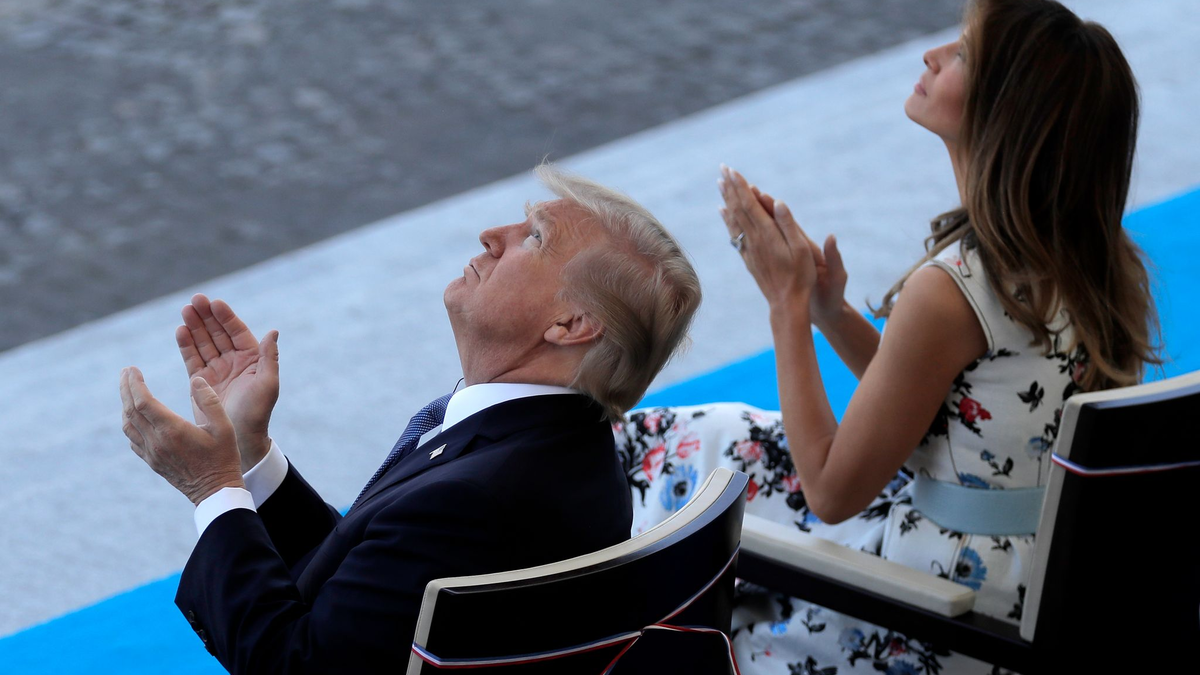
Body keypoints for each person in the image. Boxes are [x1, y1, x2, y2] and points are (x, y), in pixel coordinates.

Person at [616, 0, 1160, 672]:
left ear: (1006, 111)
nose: (932, 55)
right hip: (1039, 583)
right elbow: (957, 409)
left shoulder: (955, 286)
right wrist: (831, 313)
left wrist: (784, 305)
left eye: (962, 53)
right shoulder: (1093, 264)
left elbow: (832, 490)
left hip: (938, 613)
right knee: (728, 433)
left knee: (689, 473)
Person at [118, 164, 702, 673]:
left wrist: (212, 489)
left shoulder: (483, 499)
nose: (492, 235)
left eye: (535, 237)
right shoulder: (550, 449)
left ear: (572, 325)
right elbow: (371, 585)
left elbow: (294, 664)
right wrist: (251, 453)